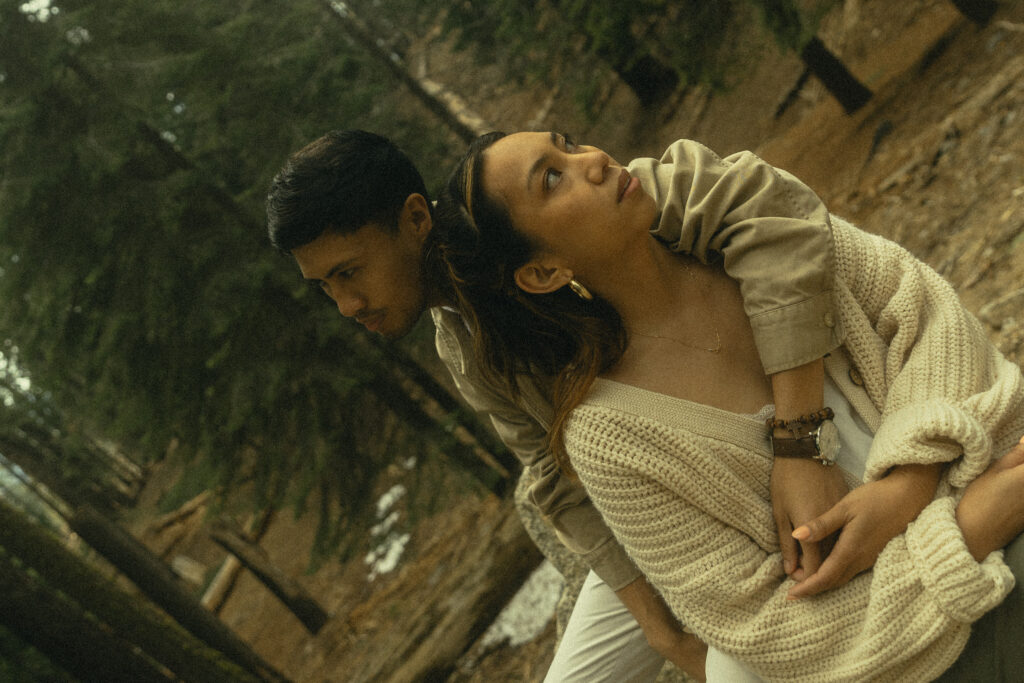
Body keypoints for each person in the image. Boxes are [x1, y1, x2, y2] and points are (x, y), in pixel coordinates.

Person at [267, 130, 937, 680]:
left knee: (760, 660)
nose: (346, 305)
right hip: (648, 511)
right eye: (325, 287)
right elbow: (552, 470)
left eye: (349, 272)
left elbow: (763, 204)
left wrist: (798, 439)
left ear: (415, 219)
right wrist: (655, 622)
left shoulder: (576, 206)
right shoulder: (461, 343)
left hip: (758, 434)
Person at [431, 130, 1024, 681]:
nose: (593, 161)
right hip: (925, 650)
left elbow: (935, 326)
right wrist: (967, 531)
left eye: (569, 144)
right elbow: (771, 629)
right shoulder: (609, 441)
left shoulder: (764, 233)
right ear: (543, 271)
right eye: (552, 178)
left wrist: (909, 484)